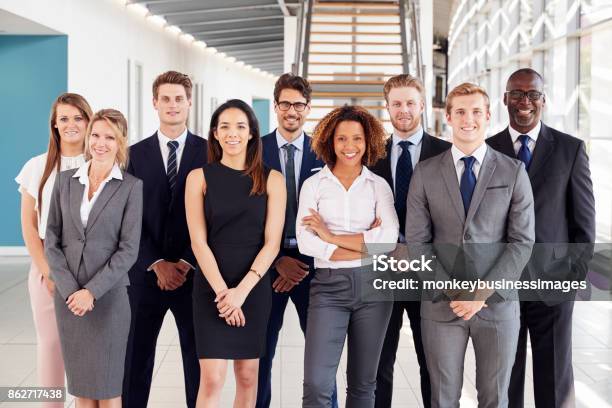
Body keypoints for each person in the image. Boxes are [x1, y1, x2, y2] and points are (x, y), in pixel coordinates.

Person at [406, 83, 535, 407]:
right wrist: (455, 293)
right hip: (441, 304)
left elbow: (522, 242)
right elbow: (418, 243)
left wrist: (480, 293)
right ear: (447, 116)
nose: (469, 119)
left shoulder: (514, 171)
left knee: (494, 397)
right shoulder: (425, 173)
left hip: (497, 305)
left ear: (488, 115)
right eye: (460, 111)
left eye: (476, 111)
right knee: (443, 397)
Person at [486, 68, 596, 408]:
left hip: (553, 285)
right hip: (501, 285)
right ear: (504, 99)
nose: (524, 101)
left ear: (543, 100)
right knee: (505, 374)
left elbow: (584, 223)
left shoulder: (570, 149)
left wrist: (572, 277)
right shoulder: (487, 151)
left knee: (554, 376)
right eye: (516, 94)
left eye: (532, 94)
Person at [297, 106, 399, 408]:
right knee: (316, 384)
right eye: (341, 138)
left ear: (368, 142)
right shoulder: (313, 185)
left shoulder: (379, 187)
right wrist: (362, 243)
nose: (349, 146)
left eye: (357, 138)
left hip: (375, 288)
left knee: (363, 384)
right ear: (330, 140)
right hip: (328, 288)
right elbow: (305, 242)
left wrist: (329, 236)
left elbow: (388, 241)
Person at [186, 99, 286, 408]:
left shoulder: (273, 179)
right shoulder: (198, 178)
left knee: (247, 376)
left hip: (253, 288)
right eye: (225, 127)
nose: (233, 133)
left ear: (252, 133)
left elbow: (272, 244)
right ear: (214, 133)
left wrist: (240, 293)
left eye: (240, 126)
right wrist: (223, 295)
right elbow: (198, 242)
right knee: (213, 377)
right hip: (211, 287)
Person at [45, 109, 143, 407]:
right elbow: (52, 240)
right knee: (82, 391)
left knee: (109, 391)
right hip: (69, 301)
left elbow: (128, 250)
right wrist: (71, 291)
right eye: (96, 135)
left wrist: (91, 292)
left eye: (109, 137)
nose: (101, 143)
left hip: (108, 301)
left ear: (121, 142)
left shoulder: (130, 187)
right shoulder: (64, 182)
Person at [123, 71, 206, 408]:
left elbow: (216, 216)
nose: (172, 105)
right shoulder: (131, 155)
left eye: (179, 99)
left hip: (196, 275)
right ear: (155, 103)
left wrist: (186, 260)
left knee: (197, 363)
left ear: (189, 103)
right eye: (166, 99)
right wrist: (155, 262)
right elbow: (125, 218)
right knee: (135, 361)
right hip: (143, 275)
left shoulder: (210, 153)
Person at [257, 73, 338, 408]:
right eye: (286, 103)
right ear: (276, 106)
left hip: (313, 267)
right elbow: (242, 216)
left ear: (308, 109)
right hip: (263, 266)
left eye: (299, 105)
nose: (292, 110)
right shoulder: (254, 150)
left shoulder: (326, 154)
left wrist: (304, 261)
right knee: (259, 357)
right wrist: (276, 260)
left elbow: (334, 212)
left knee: (322, 359)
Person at [370, 74, 451, 408]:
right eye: (396, 103)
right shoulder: (372, 154)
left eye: (410, 103)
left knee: (433, 365)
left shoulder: (446, 153)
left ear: (422, 105)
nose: (403, 110)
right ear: (387, 107)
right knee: (378, 365)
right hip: (383, 270)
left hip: (429, 271)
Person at [15, 93, 93, 408]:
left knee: (90, 349)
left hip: (92, 267)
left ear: (89, 120)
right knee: (51, 346)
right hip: (49, 265)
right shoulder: (37, 166)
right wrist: (49, 272)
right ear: (54, 125)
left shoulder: (102, 163)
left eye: (78, 117)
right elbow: (29, 226)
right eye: (64, 118)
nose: (71, 124)